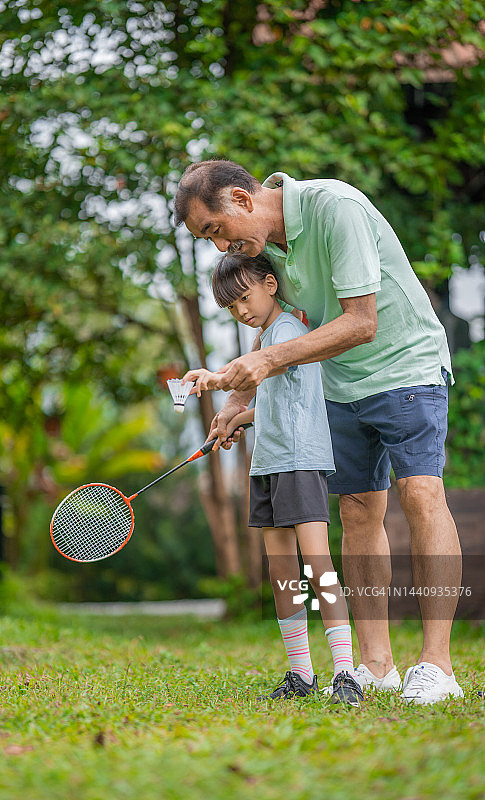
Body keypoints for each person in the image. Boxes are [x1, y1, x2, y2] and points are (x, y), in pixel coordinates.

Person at [175, 159, 464, 705]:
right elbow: (275, 324)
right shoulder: (261, 250)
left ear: (241, 199)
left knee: (421, 495)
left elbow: (362, 322)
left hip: (406, 367)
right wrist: (240, 398)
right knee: (357, 510)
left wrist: (265, 367)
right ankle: (377, 663)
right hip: (338, 380)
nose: (220, 248)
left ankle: (438, 664)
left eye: (214, 230)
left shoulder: (336, 208)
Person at [184, 253, 364, 707]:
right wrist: (235, 420)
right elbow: (275, 404)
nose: (241, 310)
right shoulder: (267, 335)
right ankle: (301, 673)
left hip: (300, 461)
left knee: (316, 566)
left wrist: (215, 378)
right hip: (267, 463)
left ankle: (345, 672)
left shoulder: (287, 332)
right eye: (231, 306)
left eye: (245, 297)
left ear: (269, 283)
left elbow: (275, 367)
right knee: (282, 572)